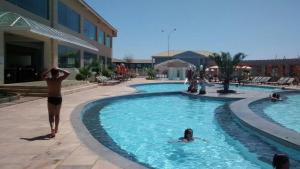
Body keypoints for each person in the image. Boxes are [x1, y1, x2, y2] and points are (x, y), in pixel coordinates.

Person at [42, 67, 70, 138]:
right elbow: (68, 73)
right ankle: (56, 129)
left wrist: (49, 70)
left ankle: (52, 129)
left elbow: (42, 75)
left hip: (51, 98)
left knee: (51, 115)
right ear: (57, 73)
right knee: (57, 115)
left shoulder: (48, 79)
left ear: (51, 73)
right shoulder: (59, 79)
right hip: (58, 98)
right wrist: (60, 69)